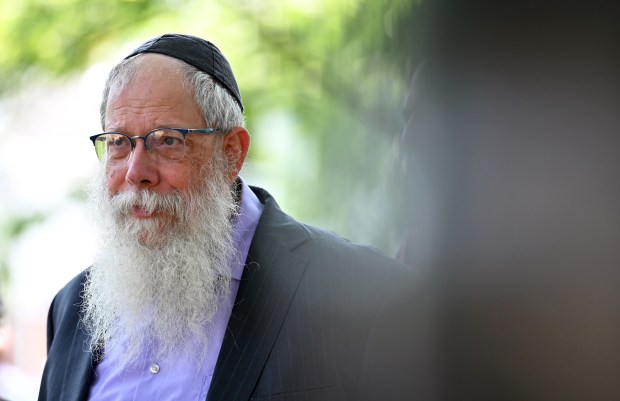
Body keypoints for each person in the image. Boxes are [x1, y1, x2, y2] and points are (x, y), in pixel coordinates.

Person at [38, 34, 419, 401]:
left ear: (231, 154)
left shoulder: (363, 293)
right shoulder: (69, 310)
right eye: (119, 143)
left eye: (168, 140)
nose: (136, 172)